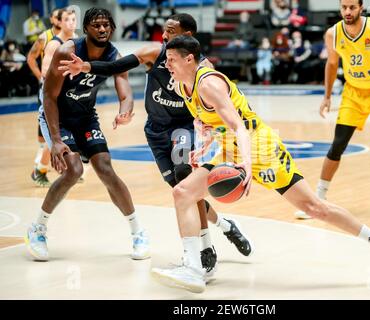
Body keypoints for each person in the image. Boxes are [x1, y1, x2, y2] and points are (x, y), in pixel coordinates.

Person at [146, 35, 370, 293]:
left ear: (189, 59)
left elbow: (237, 125)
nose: (166, 64)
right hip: (229, 149)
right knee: (182, 193)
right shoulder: (182, 85)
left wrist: (248, 165)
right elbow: (205, 120)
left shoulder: (208, 85)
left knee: (314, 208)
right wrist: (202, 147)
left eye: (170, 59)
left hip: (259, 147)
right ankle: (193, 267)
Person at [58, 13, 253, 276]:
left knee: (185, 178)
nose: (164, 36)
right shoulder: (155, 52)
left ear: (188, 37)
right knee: (181, 190)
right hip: (156, 131)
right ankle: (225, 225)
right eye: (165, 30)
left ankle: (206, 249)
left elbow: (217, 106)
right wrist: (88, 67)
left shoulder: (201, 69)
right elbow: (120, 65)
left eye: (171, 32)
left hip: (183, 127)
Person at [24, 8, 150, 262]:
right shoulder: (66, 51)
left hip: (85, 116)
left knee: (105, 168)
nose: (102, 29)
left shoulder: (114, 55)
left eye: (106, 25)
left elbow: (124, 87)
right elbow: (48, 97)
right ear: (86, 29)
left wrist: (125, 110)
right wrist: (57, 141)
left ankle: (138, 232)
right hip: (57, 115)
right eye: (96, 25)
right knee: (73, 171)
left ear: (112, 28)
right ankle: (37, 229)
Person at [295, 0, 370, 220]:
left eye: (352, 7)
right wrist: (327, 96)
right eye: (344, 7)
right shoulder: (333, 34)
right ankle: (317, 200)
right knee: (338, 144)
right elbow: (331, 64)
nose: (348, 12)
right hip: (353, 93)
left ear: (361, 8)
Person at [27, 8, 63, 187]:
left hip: (63, 89)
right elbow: (31, 58)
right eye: (58, 17)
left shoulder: (70, 38)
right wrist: (39, 77)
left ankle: (48, 166)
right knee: (48, 132)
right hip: (47, 89)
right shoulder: (44, 37)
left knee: (60, 129)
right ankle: (40, 167)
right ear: (53, 19)